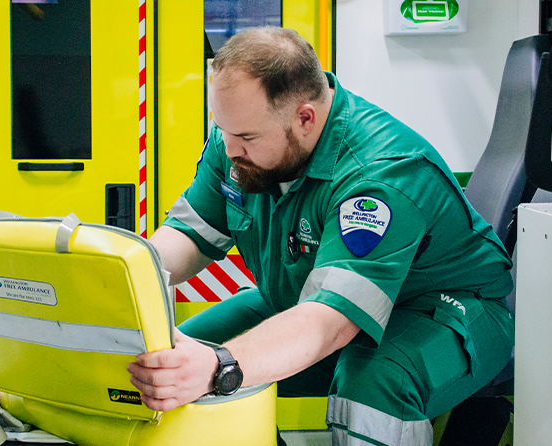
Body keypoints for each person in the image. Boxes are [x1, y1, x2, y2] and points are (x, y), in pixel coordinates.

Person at [127, 27, 514, 446]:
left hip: (444, 310)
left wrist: (219, 366)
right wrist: (122, 274)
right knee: (165, 368)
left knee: (372, 383)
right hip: (306, 297)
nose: (229, 148)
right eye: (222, 128)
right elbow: (188, 235)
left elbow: (327, 323)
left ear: (305, 118)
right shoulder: (238, 141)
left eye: (245, 137)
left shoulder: (380, 174)